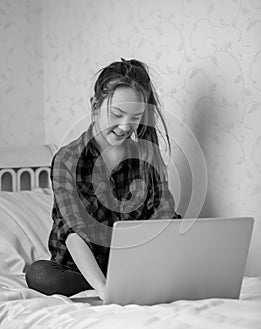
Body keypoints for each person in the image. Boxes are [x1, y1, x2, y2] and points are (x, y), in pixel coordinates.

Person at [25, 58, 181, 299]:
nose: (125, 126)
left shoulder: (146, 154)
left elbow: (164, 217)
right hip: (78, 268)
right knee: (40, 274)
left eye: (135, 117)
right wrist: (103, 289)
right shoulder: (68, 158)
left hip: (130, 264)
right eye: (117, 114)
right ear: (95, 104)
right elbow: (73, 231)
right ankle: (105, 283)